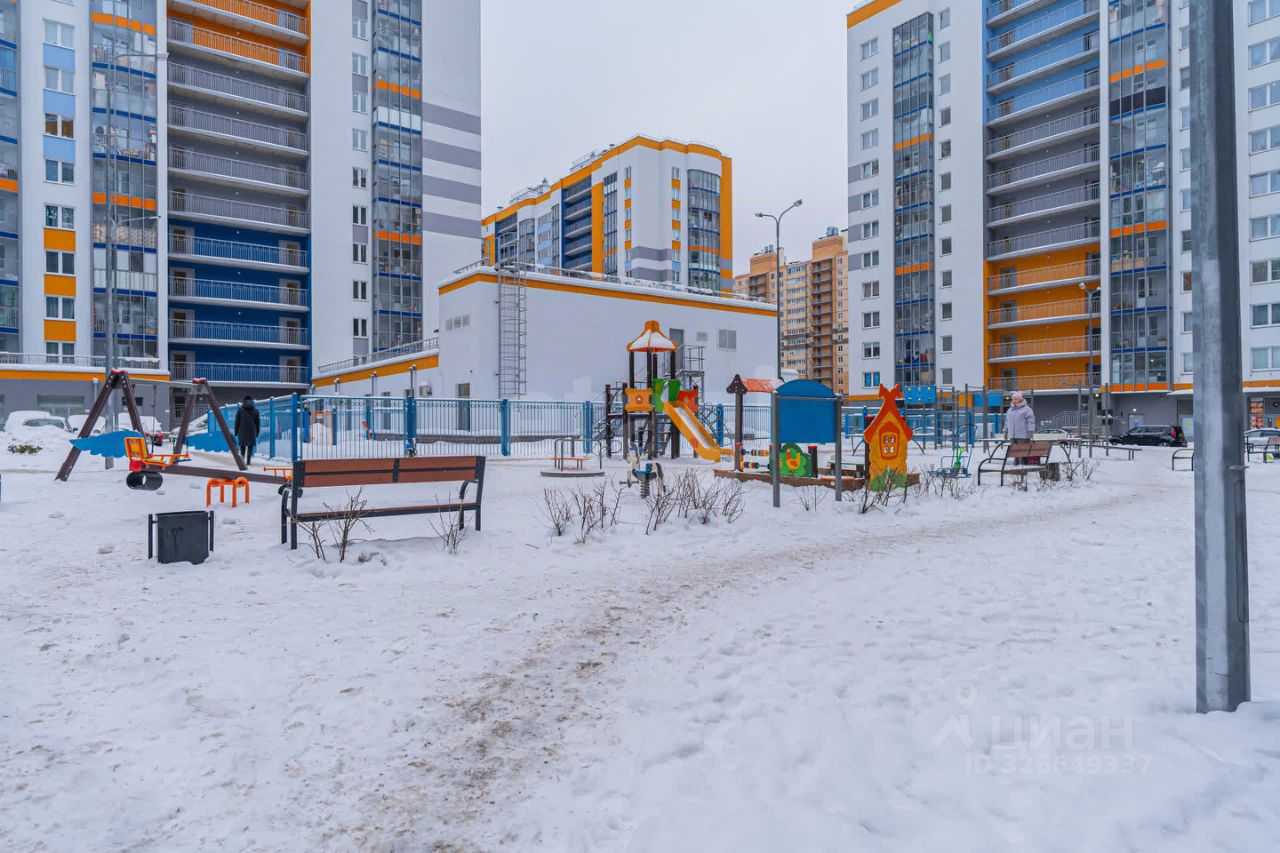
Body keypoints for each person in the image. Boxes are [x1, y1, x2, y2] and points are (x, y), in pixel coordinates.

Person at [233, 396, 261, 465]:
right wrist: (257, 432)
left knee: (242, 446)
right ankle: (248, 461)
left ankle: (242, 461)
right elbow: (258, 423)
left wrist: (236, 432)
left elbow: (237, 422)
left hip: (242, 431)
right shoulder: (256, 411)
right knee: (250, 446)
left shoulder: (240, 410)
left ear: (244, 401)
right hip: (252, 431)